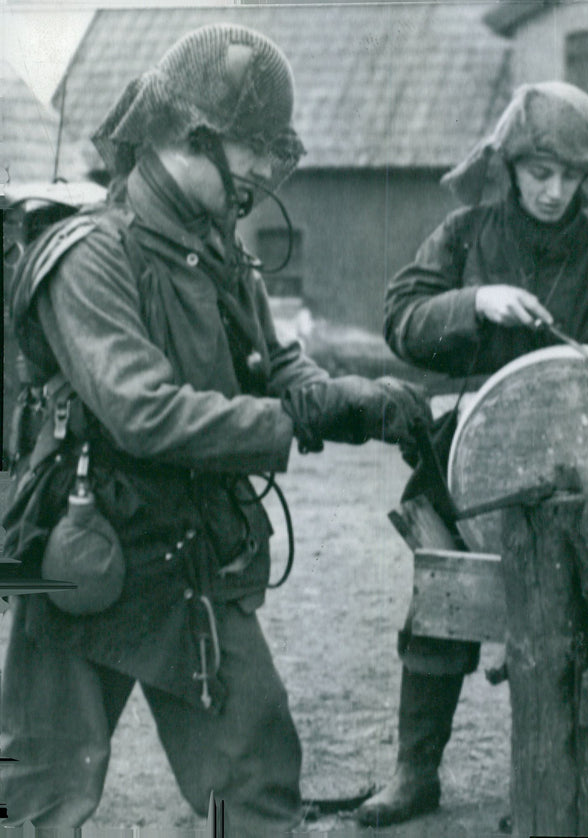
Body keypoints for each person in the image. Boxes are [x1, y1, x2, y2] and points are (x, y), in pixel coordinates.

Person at [0, 24, 430, 833]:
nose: (268, 169)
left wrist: (351, 397)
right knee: (41, 801)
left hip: (195, 554)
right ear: (193, 137)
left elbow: (274, 362)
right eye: (256, 147)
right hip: (87, 557)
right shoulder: (89, 257)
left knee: (258, 785)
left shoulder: (217, 250)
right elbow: (143, 412)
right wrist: (295, 420)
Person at [356, 80, 588, 827]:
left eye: (572, 176)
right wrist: (474, 300)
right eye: (539, 172)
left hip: (580, 472)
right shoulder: (463, 235)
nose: (554, 192)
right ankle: (414, 772)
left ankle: (557, 790)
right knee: (439, 604)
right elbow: (399, 320)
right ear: (509, 165)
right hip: (468, 459)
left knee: (572, 631)